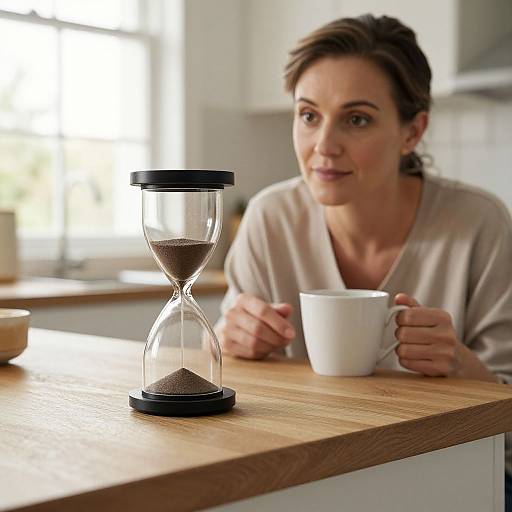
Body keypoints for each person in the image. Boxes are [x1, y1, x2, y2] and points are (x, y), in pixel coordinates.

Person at [214, 14, 512, 508]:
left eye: (357, 119)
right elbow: (227, 373)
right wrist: (230, 344)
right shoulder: (269, 218)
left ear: (412, 132)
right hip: (307, 470)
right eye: (309, 115)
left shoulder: (479, 223)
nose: (323, 147)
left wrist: (460, 364)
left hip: (458, 472)